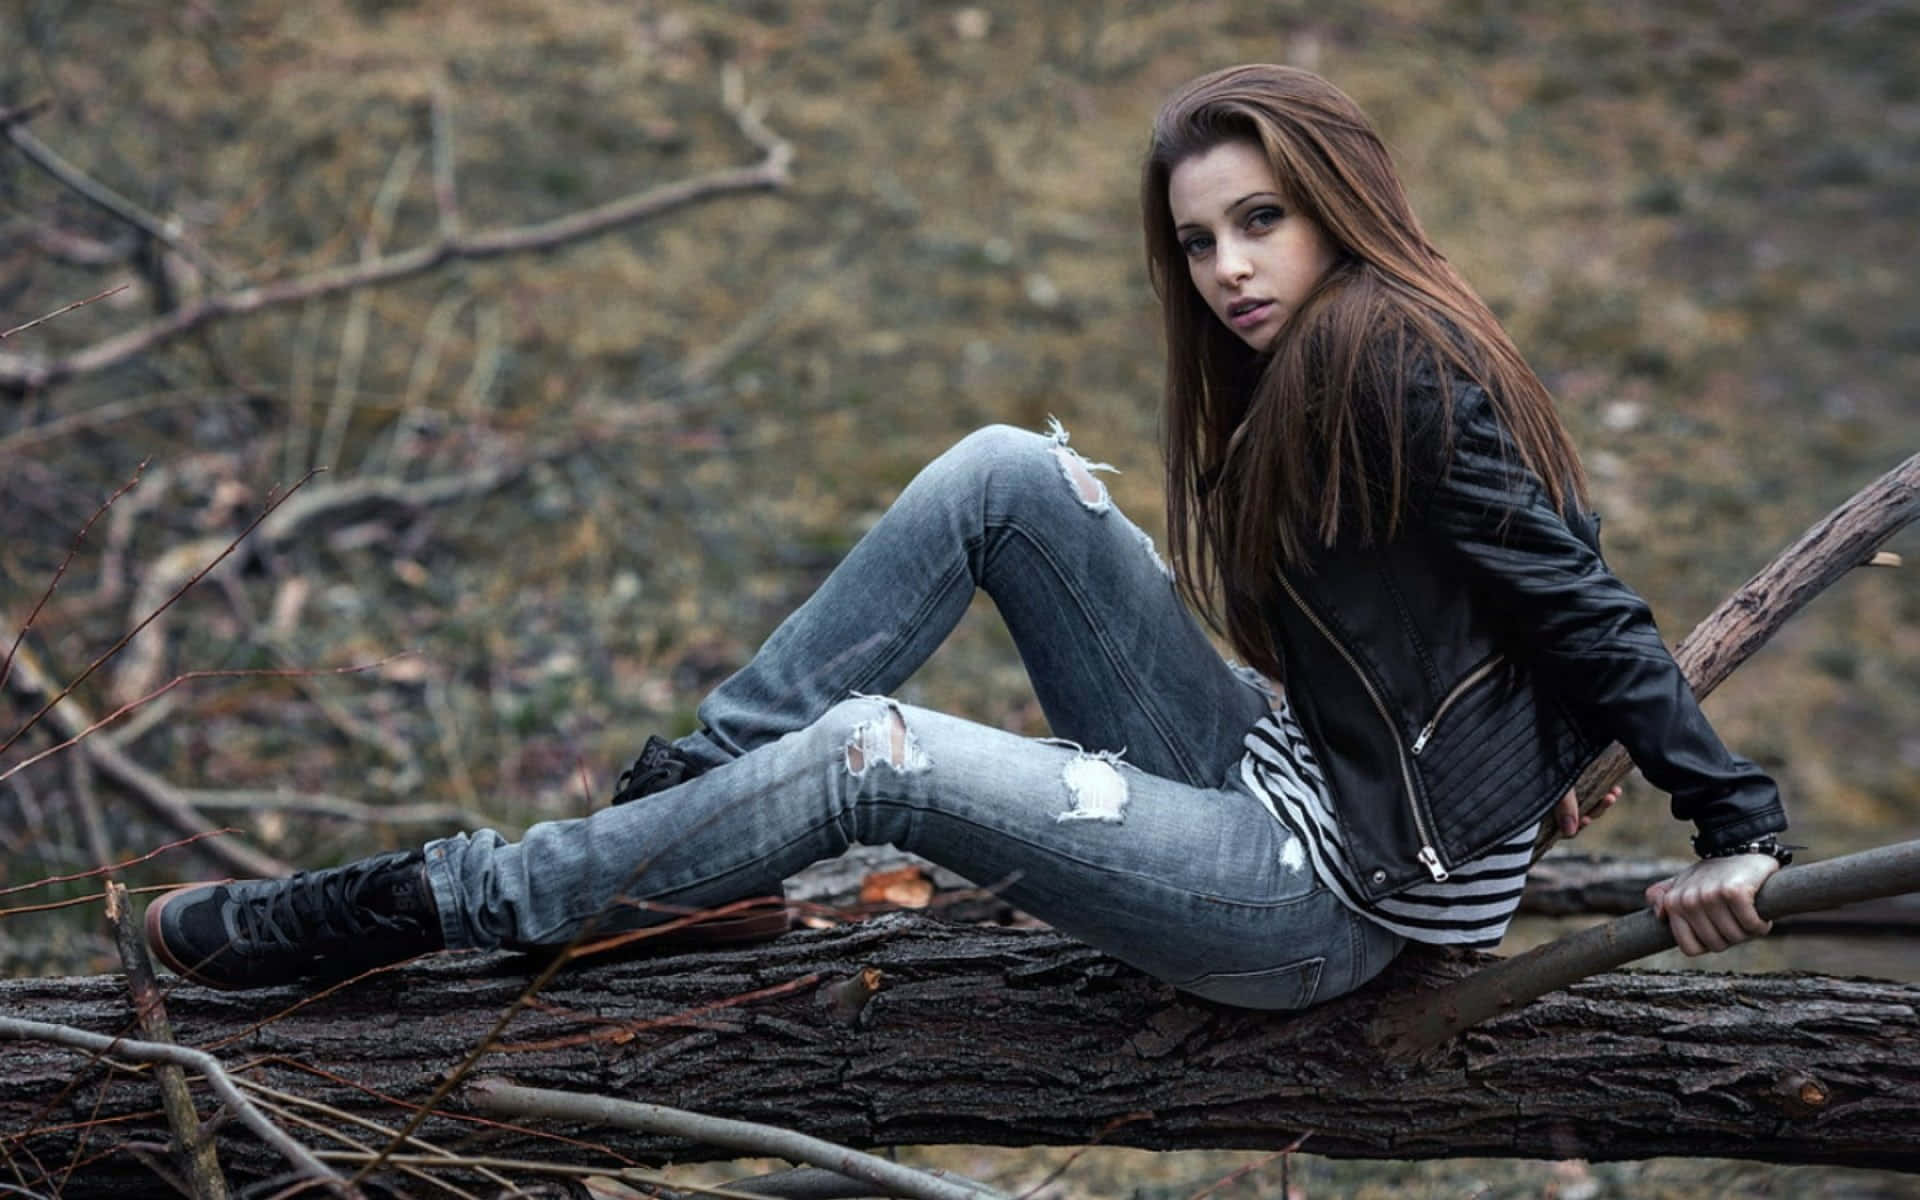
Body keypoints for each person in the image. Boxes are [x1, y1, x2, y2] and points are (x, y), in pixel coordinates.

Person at [146, 64, 1789, 1007]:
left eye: (1261, 220)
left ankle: (457, 899)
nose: (1228, 269)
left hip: (1331, 898)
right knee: (1011, 468)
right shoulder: (1355, 349)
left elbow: (1580, 602)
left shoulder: (1388, 356)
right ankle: (684, 831)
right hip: (1288, 775)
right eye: (1202, 238)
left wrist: (1737, 822)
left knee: (882, 754)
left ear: (1339, 203)